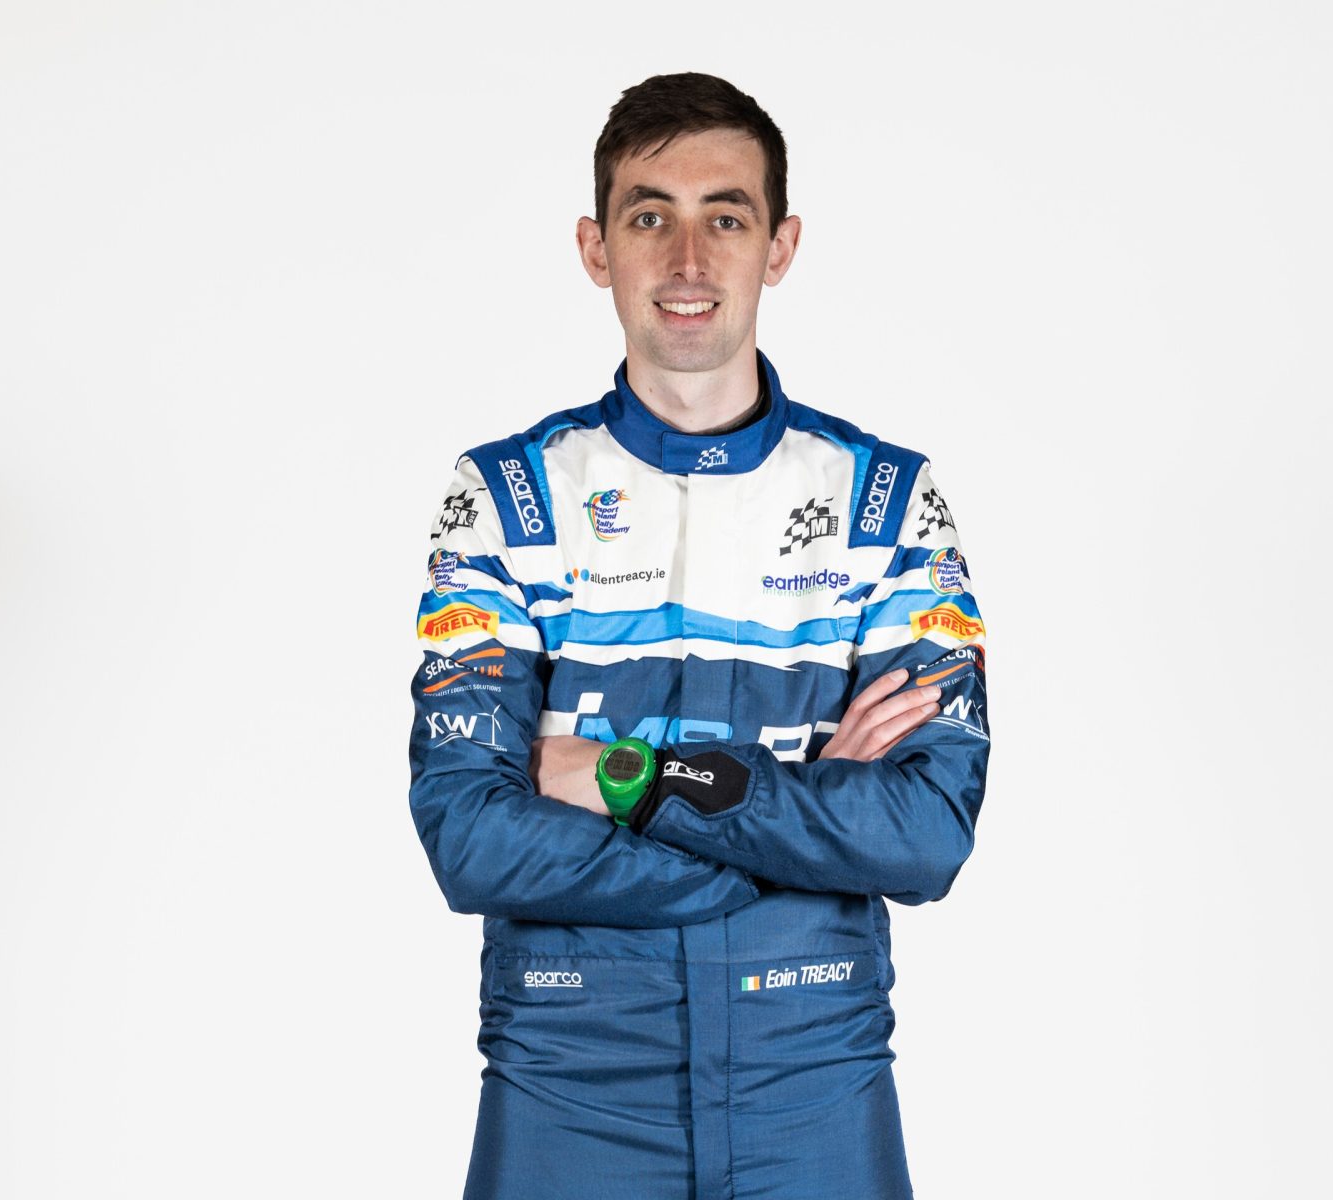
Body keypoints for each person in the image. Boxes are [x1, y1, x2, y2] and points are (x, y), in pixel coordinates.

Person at [408, 72, 989, 1200]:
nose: (687, 259)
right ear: (596, 249)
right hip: (569, 1076)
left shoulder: (887, 504)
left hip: (812, 1075)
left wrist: (626, 776)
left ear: (780, 247)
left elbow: (924, 835)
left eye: (725, 218)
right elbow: (470, 841)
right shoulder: (505, 499)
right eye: (649, 217)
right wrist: (789, 840)